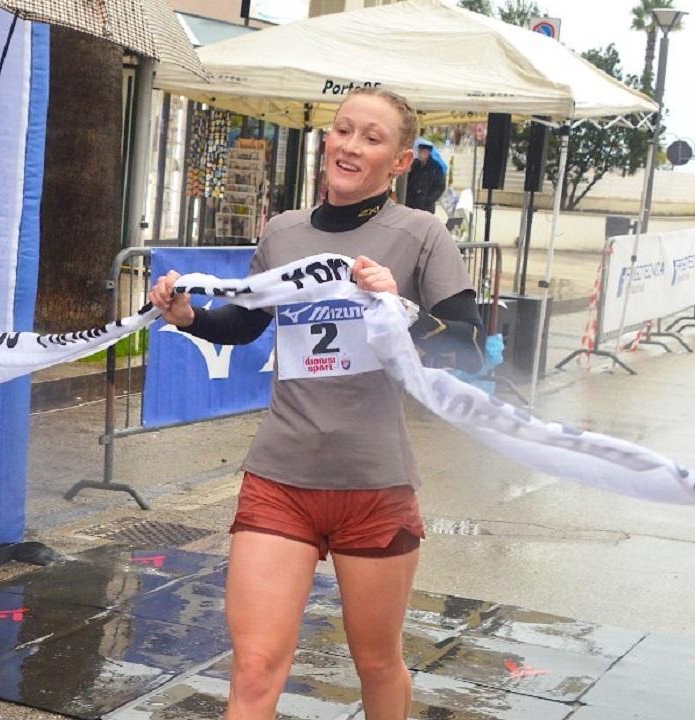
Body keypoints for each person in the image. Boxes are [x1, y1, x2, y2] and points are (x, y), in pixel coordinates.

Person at [150, 87, 481, 718]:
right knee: (252, 667)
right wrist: (189, 316)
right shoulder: (283, 231)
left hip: (373, 482)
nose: (351, 146)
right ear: (326, 139)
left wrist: (398, 308)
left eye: (372, 138)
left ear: (401, 162)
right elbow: (245, 324)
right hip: (281, 478)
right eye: (343, 130)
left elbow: (464, 345)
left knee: (377, 664)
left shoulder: (421, 234)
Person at [404, 138, 446, 213]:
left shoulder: (436, 167)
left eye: (422, 152)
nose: (420, 154)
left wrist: (428, 200)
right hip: (411, 204)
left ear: (428, 153)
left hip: (426, 206)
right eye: (419, 151)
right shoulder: (415, 164)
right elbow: (409, 181)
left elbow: (440, 186)